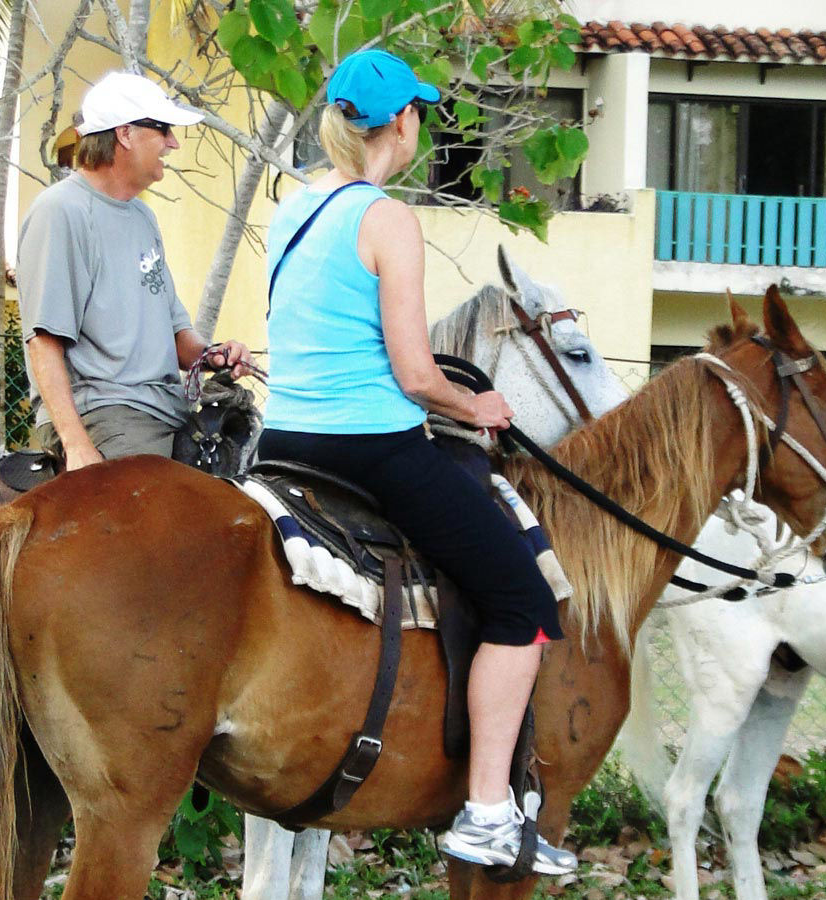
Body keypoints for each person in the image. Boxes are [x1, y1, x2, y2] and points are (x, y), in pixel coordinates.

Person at [256, 49, 577, 873]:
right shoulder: (385, 216)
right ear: (400, 121)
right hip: (373, 449)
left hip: (283, 441)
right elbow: (414, 374)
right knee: (522, 600)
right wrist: (479, 407)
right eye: (420, 113)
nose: (423, 126)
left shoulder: (293, 210)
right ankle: (487, 810)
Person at [16, 71, 255, 470]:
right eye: (162, 129)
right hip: (105, 413)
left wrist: (214, 356)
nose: (173, 142)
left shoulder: (142, 215)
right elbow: (43, 343)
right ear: (124, 134)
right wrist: (76, 446)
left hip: (168, 410)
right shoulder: (60, 212)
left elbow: (176, 334)